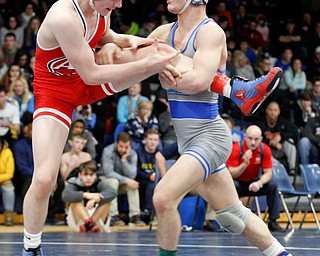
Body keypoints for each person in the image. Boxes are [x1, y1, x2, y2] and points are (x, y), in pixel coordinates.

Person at [22, 0, 181, 254]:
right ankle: (30, 247)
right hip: (57, 93)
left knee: (159, 49)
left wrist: (123, 41)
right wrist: (145, 67)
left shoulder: (100, 9)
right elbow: (92, 74)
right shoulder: (64, 15)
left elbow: (107, 35)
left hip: (87, 77)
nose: (118, 4)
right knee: (43, 180)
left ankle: (228, 86)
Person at [138, 1, 290, 255]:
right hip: (188, 140)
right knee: (233, 216)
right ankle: (237, 90)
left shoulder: (210, 32)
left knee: (163, 198)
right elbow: (134, 51)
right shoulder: (163, 33)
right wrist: (106, 38)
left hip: (208, 136)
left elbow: (198, 81)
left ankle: (238, 90)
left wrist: (161, 68)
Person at [226, 125, 283, 232]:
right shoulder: (236, 148)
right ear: (245, 137)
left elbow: (268, 173)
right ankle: (231, 222)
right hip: (239, 182)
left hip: (254, 183)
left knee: (273, 185)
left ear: (261, 139)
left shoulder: (264, 149)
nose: (253, 142)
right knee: (231, 185)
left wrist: (259, 183)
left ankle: (273, 221)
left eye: (256, 139)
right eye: (250, 138)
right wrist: (244, 164)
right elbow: (231, 174)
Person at [98, 132, 145, 227]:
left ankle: (135, 216)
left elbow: (132, 175)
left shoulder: (132, 153)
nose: (123, 149)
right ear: (116, 143)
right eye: (121, 146)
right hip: (104, 181)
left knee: (133, 185)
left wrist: (124, 161)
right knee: (114, 181)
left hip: (121, 182)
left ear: (130, 145)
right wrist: (127, 180)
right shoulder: (108, 150)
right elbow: (108, 172)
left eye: (126, 147)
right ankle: (113, 216)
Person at [62, 160, 117, 232]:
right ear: (80, 175)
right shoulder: (74, 183)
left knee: (107, 202)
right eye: (85, 175)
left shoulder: (98, 183)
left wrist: (95, 200)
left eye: (91, 175)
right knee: (75, 201)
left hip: (97, 221)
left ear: (95, 175)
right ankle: (88, 222)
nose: (88, 178)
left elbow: (113, 192)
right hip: (78, 222)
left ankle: (90, 224)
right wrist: (86, 195)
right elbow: (65, 195)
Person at [256, 101, 298, 176]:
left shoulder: (283, 121)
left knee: (290, 141)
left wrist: (281, 137)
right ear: (266, 111)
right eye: (270, 110)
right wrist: (271, 142)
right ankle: (280, 169)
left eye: (275, 110)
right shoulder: (260, 122)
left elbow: (295, 132)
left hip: (280, 148)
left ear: (279, 112)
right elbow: (256, 138)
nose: (273, 113)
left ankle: (292, 169)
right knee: (261, 146)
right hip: (267, 150)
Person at [135, 129, 160, 215]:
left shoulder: (160, 155)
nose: (153, 142)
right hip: (140, 180)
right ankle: (148, 211)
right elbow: (135, 171)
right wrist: (148, 176)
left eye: (155, 140)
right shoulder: (137, 152)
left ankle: (155, 212)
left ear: (158, 142)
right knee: (150, 185)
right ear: (145, 140)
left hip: (155, 181)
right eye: (150, 139)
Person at [0, 136, 15, 226]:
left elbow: (10, 173)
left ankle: (9, 215)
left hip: (4, 181)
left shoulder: (7, 153)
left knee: (9, 187)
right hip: (2, 178)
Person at [0, 84, 20, 149]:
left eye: (1, 96)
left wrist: (7, 125)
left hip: (8, 136)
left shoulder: (13, 108)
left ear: (6, 96)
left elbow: (17, 128)